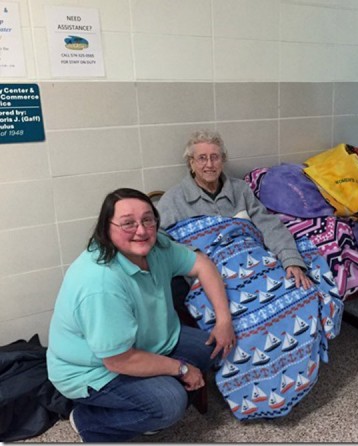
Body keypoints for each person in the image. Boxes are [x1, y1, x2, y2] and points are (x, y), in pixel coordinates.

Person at [46, 188, 235, 442]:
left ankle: (152, 387)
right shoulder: (100, 283)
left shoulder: (157, 247)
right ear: (106, 227)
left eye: (148, 219)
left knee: (210, 349)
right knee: (169, 404)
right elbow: (118, 361)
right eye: (128, 223)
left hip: (149, 342)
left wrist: (224, 321)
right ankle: (87, 419)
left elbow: (201, 264)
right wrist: (181, 369)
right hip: (95, 369)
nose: (142, 230)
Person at [157, 129, 312, 290]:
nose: (209, 164)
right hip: (212, 276)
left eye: (215, 157)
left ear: (223, 160)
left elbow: (269, 225)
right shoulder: (174, 199)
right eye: (202, 158)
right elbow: (160, 240)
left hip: (254, 264)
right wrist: (195, 255)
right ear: (191, 162)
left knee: (301, 290)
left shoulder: (240, 190)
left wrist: (290, 259)